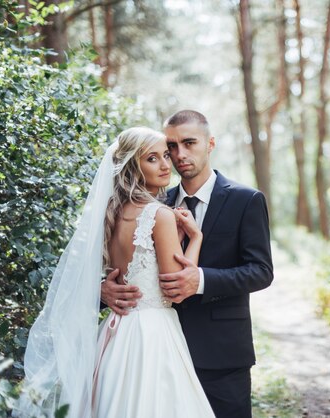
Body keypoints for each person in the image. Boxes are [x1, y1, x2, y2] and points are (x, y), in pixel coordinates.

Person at [17, 127, 215, 418]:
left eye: (164, 156)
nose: (165, 165)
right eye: (151, 158)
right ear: (132, 166)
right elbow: (175, 289)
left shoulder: (111, 213)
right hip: (152, 334)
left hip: (116, 334)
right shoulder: (160, 215)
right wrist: (195, 238)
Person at [101, 110, 274, 418]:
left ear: (210, 144)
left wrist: (202, 280)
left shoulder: (246, 200)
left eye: (189, 143)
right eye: (171, 147)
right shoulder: (154, 202)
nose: (179, 155)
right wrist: (103, 290)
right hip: (152, 353)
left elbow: (261, 271)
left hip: (221, 353)